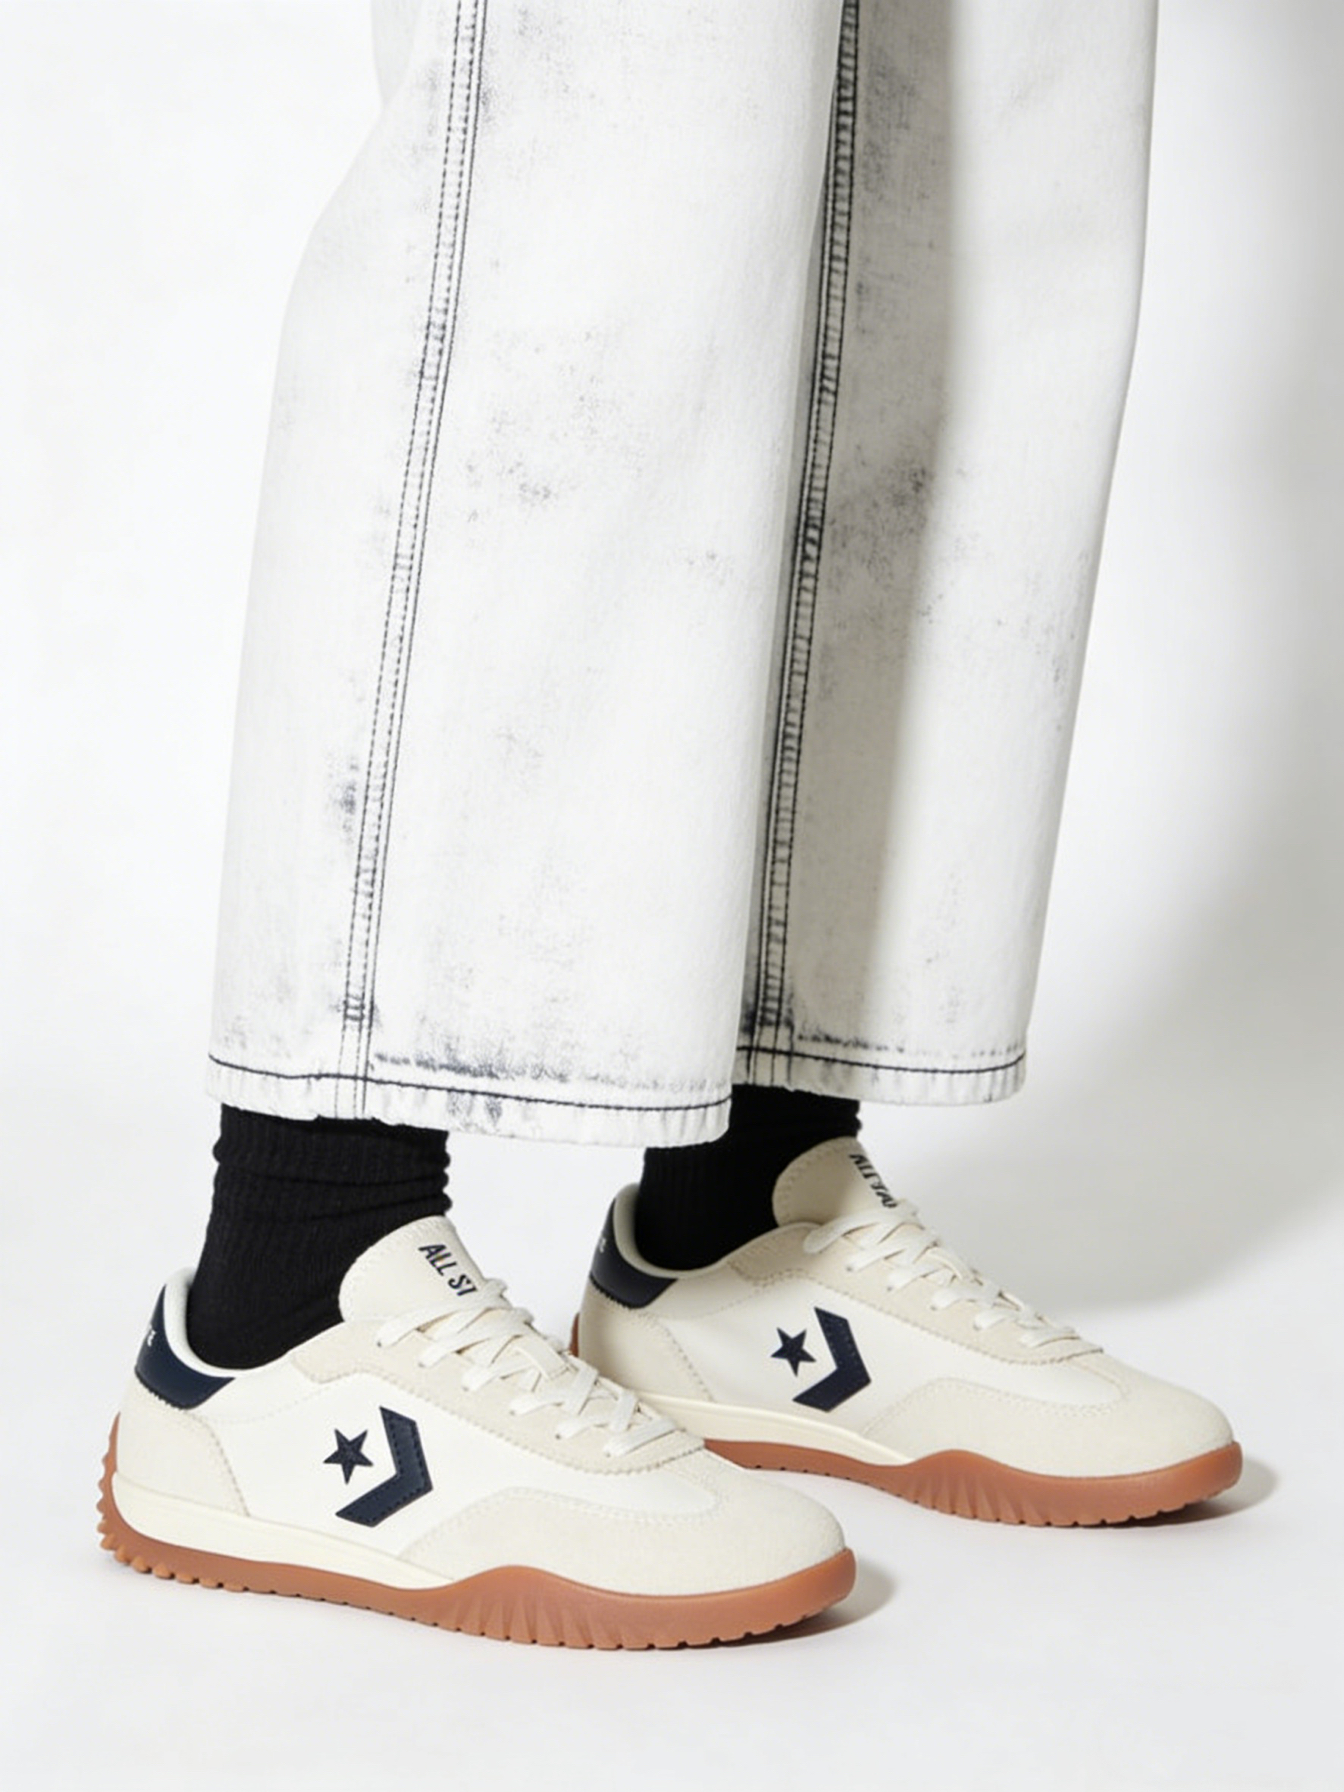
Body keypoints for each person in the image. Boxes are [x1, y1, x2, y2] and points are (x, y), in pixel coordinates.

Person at [98, 0, 1241, 1648]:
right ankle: (286, 1299)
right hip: (283, 1310)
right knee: (606, 127)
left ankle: (743, 1229)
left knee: (971, 171)